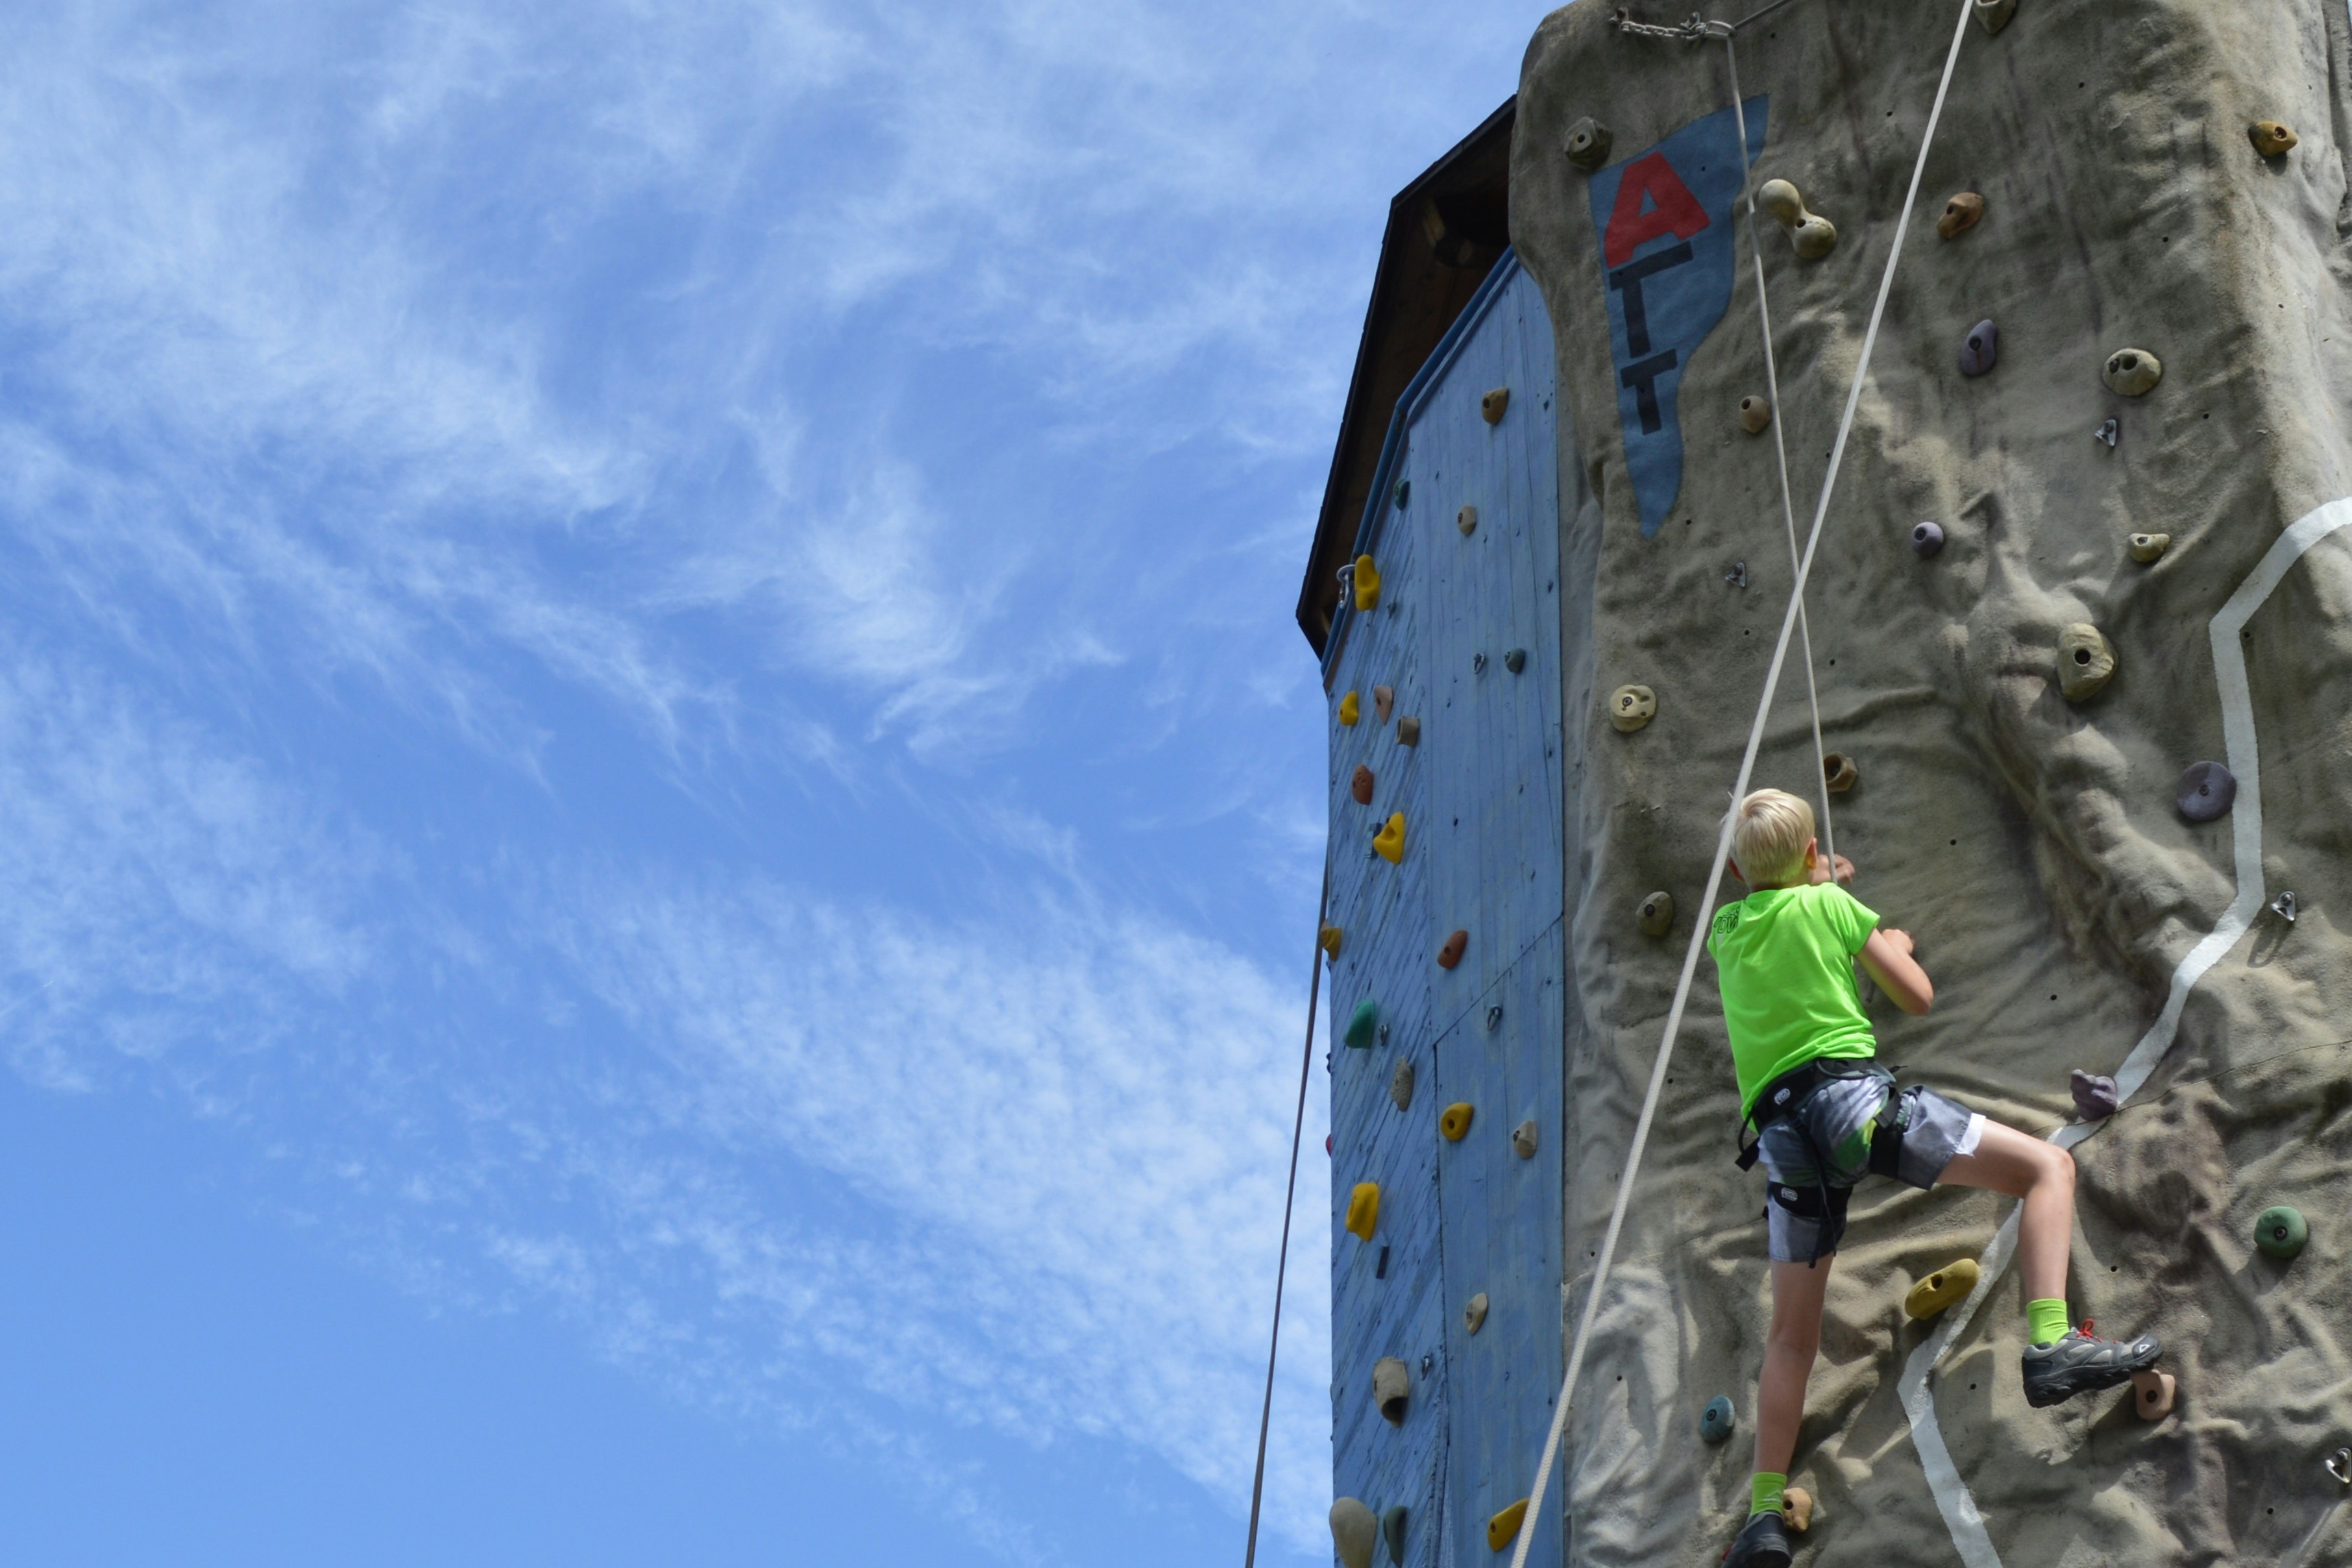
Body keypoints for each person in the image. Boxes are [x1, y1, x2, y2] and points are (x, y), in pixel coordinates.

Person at [1710, 789, 2161, 1568]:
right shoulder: (1835, 908)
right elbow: (1914, 997)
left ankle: (1760, 1518)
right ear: (1816, 856)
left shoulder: (1725, 933)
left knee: (1791, 1338)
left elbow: (1775, 912)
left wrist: (1824, 891)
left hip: (1786, 1144)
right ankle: (2051, 1341)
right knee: (2048, 1168)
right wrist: (1877, 933)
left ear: (1735, 872)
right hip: (1855, 1109)